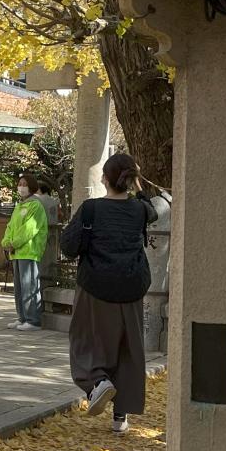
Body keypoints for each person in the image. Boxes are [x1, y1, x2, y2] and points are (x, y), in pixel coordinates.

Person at [59, 153, 152, 435]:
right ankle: (120, 416)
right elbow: (155, 209)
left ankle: (97, 382)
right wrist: (139, 189)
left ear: (106, 178)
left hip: (95, 286)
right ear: (131, 180)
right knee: (127, 348)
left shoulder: (91, 209)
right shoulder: (140, 210)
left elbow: (68, 246)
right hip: (132, 287)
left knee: (86, 340)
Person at [2, 174, 50, 332]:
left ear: (31, 186)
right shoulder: (19, 206)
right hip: (16, 252)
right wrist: (6, 242)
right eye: (19, 184)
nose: (21, 187)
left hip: (29, 251)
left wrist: (13, 243)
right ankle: (22, 317)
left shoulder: (35, 205)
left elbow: (29, 229)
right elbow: (10, 227)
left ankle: (33, 320)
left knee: (29, 286)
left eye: (24, 184)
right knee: (19, 287)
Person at [35, 181, 60, 286]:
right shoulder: (54, 201)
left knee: (41, 262)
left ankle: (40, 284)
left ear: (40, 189)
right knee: (51, 259)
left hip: (41, 233)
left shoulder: (38, 200)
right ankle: (51, 282)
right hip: (54, 233)